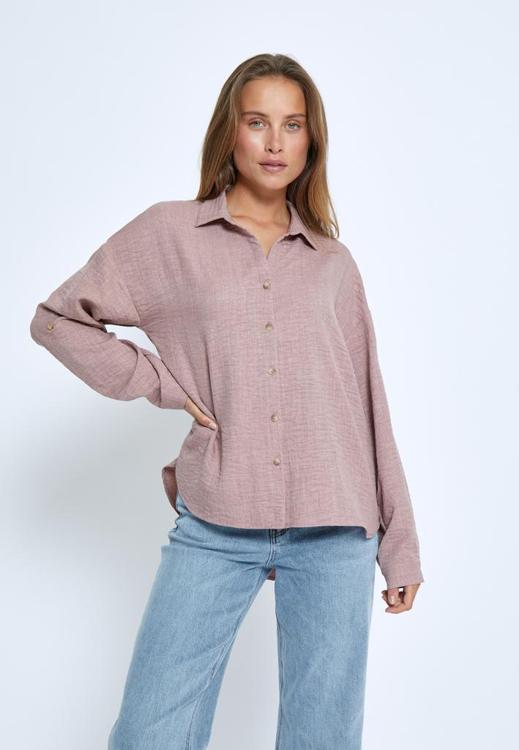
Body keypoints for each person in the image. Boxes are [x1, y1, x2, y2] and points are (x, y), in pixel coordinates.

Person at [30, 53, 424, 749]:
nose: (275, 142)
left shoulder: (333, 263)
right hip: (217, 518)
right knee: (150, 730)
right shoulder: (168, 235)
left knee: (323, 736)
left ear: (311, 140)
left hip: (335, 526)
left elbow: (367, 403)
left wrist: (401, 544)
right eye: (257, 122)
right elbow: (58, 320)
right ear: (230, 132)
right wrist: (163, 384)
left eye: (292, 125)